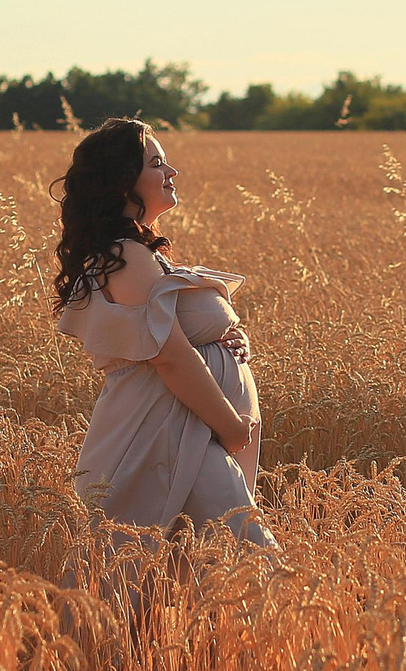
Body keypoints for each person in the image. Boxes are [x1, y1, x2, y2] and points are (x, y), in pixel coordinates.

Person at [51, 117, 277, 551]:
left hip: (186, 429)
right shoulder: (125, 256)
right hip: (166, 435)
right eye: (156, 163)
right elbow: (168, 357)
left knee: (202, 566)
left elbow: (177, 339)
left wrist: (229, 341)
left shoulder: (137, 255)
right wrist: (230, 427)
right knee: (249, 556)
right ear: (121, 183)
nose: (171, 173)